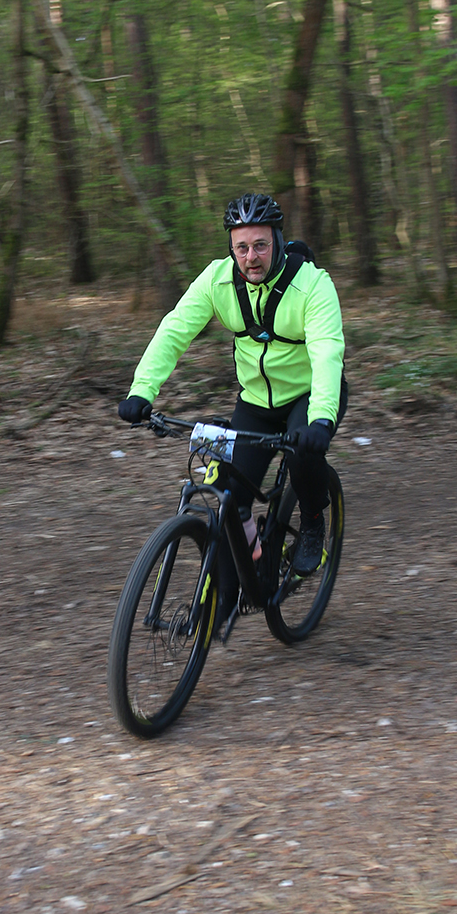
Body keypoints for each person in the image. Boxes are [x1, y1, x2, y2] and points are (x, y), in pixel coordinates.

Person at [118, 193, 346, 632]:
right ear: (231, 247)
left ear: (277, 240)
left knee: (304, 456)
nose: (251, 257)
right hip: (255, 402)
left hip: (309, 396)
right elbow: (175, 329)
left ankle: (314, 523)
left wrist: (321, 419)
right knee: (225, 491)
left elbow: (326, 353)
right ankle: (230, 589)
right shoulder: (217, 280)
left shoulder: (313, 285)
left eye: (260, 245)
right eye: (241, 247)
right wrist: (141, 390)